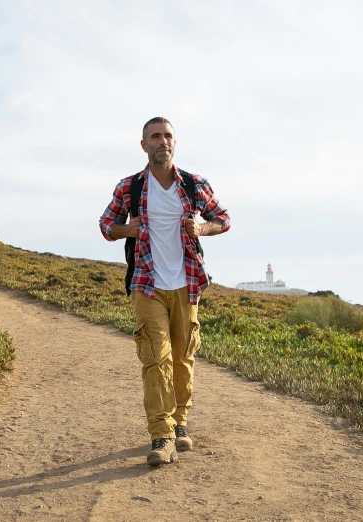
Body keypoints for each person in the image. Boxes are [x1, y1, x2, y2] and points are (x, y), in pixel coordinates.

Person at [99, 117, 230, 466]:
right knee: (156, 359)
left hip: (187, 285)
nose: (162, 142)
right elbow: (106, 225)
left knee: (183, 359)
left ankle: (180, 422)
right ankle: (161, 435)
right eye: (155, 137)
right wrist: (129, 228)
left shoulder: (193, 184)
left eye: (168, 136)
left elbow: (224, 219)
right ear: (144, 145)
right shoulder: (130, 187)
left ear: (175, 143)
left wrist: (202, 227)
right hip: (148, 284)